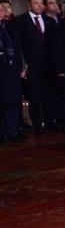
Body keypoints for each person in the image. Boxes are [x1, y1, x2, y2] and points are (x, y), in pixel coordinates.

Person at [13, 0, 53, 133]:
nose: (40, 5)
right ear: (29, 5)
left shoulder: (49, 21)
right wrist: (22, 65)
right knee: (34, 95)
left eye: (41, 3)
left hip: (48, 65)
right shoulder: (19, 21)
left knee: (48, 94)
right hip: (31, 65)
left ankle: (49, 121)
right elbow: (17, 45)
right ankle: (36, 124)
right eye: (36, 3)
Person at [0, 10, 25, 143]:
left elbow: (17, 47)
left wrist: (20, 66)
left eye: (2, 10)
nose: (1, 12)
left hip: (11, 70)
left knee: (12, 102)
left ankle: (12, 131)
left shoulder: (8, 26)